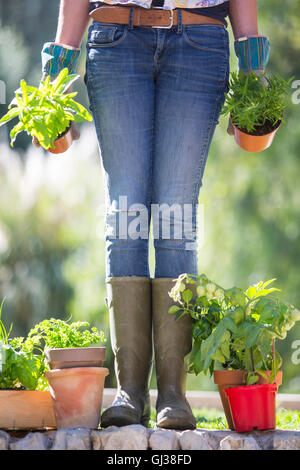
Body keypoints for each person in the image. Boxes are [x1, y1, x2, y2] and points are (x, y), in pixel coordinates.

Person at [38, 0, 270, 430]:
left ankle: (174, 395)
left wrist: (254, 67)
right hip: (115, 38)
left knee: (176, 215)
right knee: (125, 214)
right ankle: (129, 393)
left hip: (199, 41)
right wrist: (58, 68)